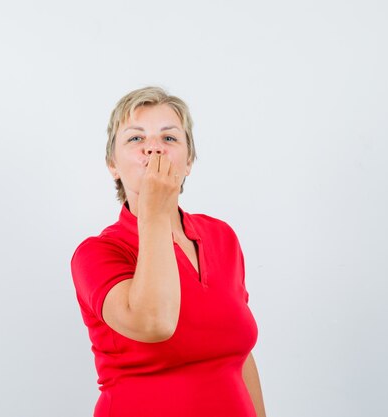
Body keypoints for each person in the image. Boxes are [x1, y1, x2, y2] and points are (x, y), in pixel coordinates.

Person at [70, 86, 266, 417]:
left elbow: (239, 354)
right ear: (112, 165)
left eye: (169, 138)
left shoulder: (221, 237)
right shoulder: (96, 254)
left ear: (188, 161)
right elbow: (154, 323)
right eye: (135, 139)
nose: (154, 148)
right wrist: (155, 212)